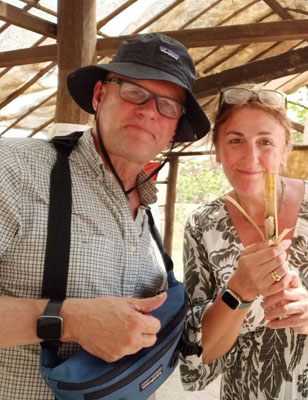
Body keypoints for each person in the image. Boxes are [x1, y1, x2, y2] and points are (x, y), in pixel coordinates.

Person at [0, 33, 210, 398]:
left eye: (167, 105)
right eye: (134, 92)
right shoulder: (14, 169)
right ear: (99, 95)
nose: (149, 111)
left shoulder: (146, 212)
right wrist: (71, 321)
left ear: (175, 127)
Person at [180, 86, 308, 399]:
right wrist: (238, 292)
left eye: (265, 142)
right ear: (218, 151)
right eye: (236, 140)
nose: (251, 156)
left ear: (285, 151)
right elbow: (198, 352)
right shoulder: (203, 224)